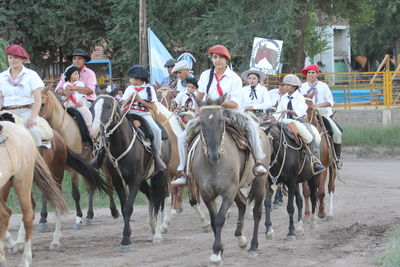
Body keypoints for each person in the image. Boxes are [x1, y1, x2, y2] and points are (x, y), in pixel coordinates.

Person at [172, 44, 268, 186]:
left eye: (221, 57)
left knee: (252, 126)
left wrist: (217, 103)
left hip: (229, 112)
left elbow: (235, 103)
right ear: (211, 59)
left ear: (227, 59)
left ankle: (258, 161)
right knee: (182, 137)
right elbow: (200, 95)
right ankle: (183, 171)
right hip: (208, 112)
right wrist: (197, 112)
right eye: (215, 57)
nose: (218, 60)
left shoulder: (234, 78)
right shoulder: (206, 75)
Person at [272, 74, 325, 173]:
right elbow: (278, 111)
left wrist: (290, 111)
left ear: (294, 86)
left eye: (287, 85)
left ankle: (315, 161)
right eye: (284, 85)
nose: (284, 87)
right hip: (284, 121)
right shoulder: (283, 98)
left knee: (312, 136)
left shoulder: (300, 97)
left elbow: (301, 111)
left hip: (299, 121)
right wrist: (272, 117)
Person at [121, 65, 167, 172]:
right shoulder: (129, 88)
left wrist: (139, 100)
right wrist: (130, 99)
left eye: (131, 78)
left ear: (138, 79)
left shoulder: (149, 89)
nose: (130, 80)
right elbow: (123, 104)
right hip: (129, 114)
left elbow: (153, 107)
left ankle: (157, 156)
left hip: (144, 115)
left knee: (157, 131)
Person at [0, 44, 44, 146]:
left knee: (33, 132)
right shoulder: (1, 77)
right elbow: (0, 99)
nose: (12, 60)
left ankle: (38, 158)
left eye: (16, 57)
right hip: (7, 112)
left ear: (23, 59)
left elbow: (38, 100)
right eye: (10, 57)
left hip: (26, 112)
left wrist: (33, 117)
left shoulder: (31, 75)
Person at [300, 64, 342, 165]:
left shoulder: (324, 86)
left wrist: (317, 106)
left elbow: (330, 102)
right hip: (306, 114)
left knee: (337, 132)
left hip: (323, 113)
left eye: (313, 73)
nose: (310, 75)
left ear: (317, 74)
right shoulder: (302, 87)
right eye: (309, 73)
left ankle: (336, 158)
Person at [62, 65, 92, 130]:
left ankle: (88, 127)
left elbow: (83, 94)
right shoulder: (65, 85)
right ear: (70, 76)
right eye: (75, 74)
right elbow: (65, 94)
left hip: (78, 103)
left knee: (87, 113)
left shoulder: (80, 84)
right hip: (68, 102)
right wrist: (66, 94)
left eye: (78, 74)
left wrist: (81, 101)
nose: (77, 75)